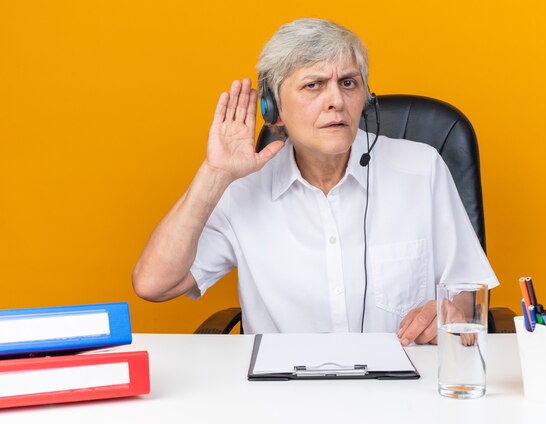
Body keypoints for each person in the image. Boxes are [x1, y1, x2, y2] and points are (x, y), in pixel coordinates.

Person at [132, 18, 498, 345]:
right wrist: (214, 176)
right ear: (274, 109)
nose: (336, 100)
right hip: (282, 397)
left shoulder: (421, 168)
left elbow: (466, 289)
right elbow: (154, 284)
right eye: (313, 85)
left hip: (405, 387)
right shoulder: (241, 189)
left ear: (365, 99)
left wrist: (452, 314)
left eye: (348, 83)